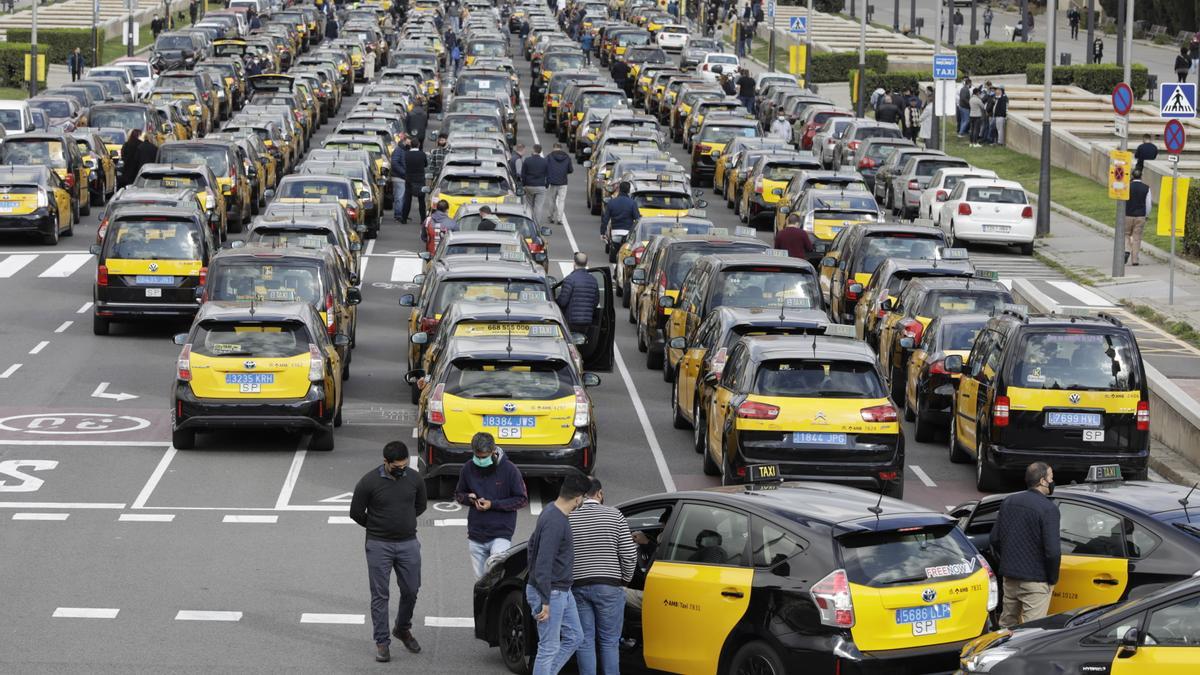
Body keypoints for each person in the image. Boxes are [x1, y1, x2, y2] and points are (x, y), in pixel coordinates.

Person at [349, 441, 428, 662]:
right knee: (380, 595)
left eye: (405, 465)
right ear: (386, 462)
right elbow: (355, 512)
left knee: (411, 589)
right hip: (378, 545)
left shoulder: (414, 479)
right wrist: (376, 526)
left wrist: (403, 521)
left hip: (408, 543)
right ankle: (382, 642)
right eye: (397, 466)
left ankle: (402, 628)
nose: (402, 469)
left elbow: (420, 506)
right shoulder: (368, 482)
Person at [568, 477, 636, 675]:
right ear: (599, 493)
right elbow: (630, 555)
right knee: (609, 642)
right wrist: (625, 579)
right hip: (609, 587)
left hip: (578, 586)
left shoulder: (570, 517)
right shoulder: (615, 516)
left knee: (585, 641)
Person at [525, 473, 590, 675]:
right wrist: (545, 599)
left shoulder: (551, 511)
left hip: (561, 590)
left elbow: (531, 545)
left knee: (575, 636)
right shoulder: (556, 521)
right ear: (578, 498)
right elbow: (544, 560)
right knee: (548, 647)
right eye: (584, 498)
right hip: (551, 593)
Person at [990, 462, 1060, 629]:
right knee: (1032, 631)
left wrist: (1007, 563)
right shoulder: (1048, 509)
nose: (1052, 481)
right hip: (1036, 580)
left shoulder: (1008, 502)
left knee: (1007, 626)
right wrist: (1052, 579)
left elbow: (994, 539)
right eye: (1051, 477)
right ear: (1043, 481)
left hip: (1010, 578)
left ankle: (1002, 654)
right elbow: (1053, 552)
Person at [453, 432, 528, 580]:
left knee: (496, 578)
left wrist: (492, 504)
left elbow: (521, 499)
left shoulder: (510, 470)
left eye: (484, 457)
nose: (480, 460)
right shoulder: (468, 468)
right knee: (481, 583)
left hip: (501, 533)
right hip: (476, 534)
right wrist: (469, 499)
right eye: (478, 457)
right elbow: (458, 494)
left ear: (494, 451)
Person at [557, 252, 600, 335]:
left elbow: (562, 302)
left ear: (574, 262)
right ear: (586, 263)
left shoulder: (570, 279)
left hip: (571, 321)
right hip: (587, 321)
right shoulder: (593, 280)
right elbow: (595, 302)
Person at [1125, 170, 1151, 266]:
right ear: (1141, 176)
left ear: (1132, 175)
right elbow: (1148, 204)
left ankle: (1127, 250)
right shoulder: (1146, 188)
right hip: (1140, 215)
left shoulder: (1127, 186)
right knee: (1137, 237)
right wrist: (1146, 215)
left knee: (1126, 234)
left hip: (1128, 214)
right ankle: (1135, 259)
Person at [399, 140, 428, 224]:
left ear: (411, 145)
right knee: (421, 200)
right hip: (420, 179)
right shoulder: (422, 154)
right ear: (418, 145)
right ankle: (423, 219)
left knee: (407, 199)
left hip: (409, 178)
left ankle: (404, 218)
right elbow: (425, 164)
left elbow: (405, 164)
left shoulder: (406, 154)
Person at [521, 143, 549, 224]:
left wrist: (524, 184)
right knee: (538, 207)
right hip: (540, 185)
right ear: (540, 151)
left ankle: (528, 222)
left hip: (529, 185)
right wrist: (546, 185)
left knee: (529, 205)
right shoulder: (545, 161)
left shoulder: (527, 160)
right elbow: (548, 174)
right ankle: (536, 224)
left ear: (533, 150)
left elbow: (523, 174)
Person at [546, 142, 573, 226]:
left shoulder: (549, 157)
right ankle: (559, 219)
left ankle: (550, 216)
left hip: (552, 182)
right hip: (563, 182)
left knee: (552, 200)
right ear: (561, 148)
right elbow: (570, 170)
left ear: (554, 147)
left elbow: (545, 167)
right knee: (561, 201)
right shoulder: (567, 157)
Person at [390, 140, 407, 221]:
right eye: (407, 142)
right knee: (399, 197)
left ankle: (401, 214)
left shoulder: (402, 150)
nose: (408, 143)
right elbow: (394, 163)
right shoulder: (399, 150)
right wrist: (404, 173)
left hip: (402, 177)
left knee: (401, 196)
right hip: (399, 177)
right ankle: (398, 215)